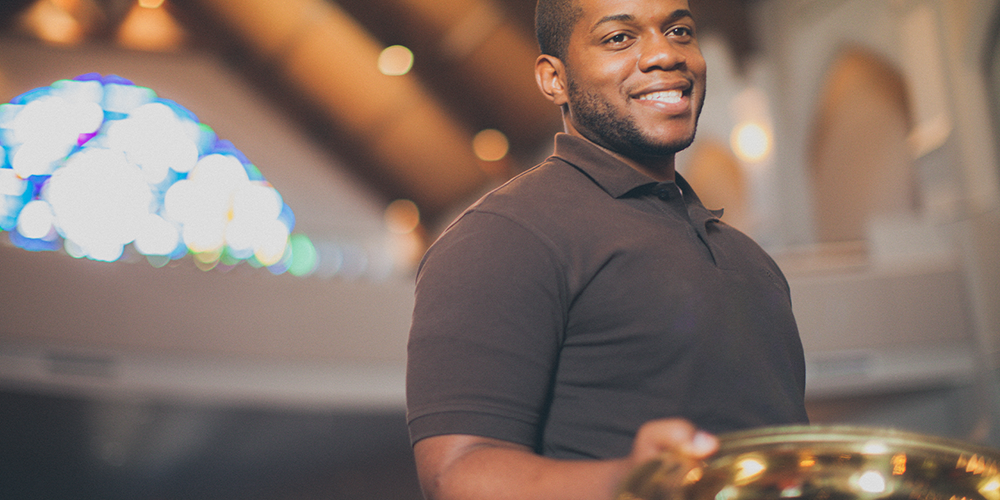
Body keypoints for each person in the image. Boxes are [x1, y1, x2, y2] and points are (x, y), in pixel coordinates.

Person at [405, 0, 810, 498]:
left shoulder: (749, 258)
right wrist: (634, 481)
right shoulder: (504, 235)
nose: (665, 54)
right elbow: (455, 474)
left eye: (680, 30)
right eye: (619, 38)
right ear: (554, 78)